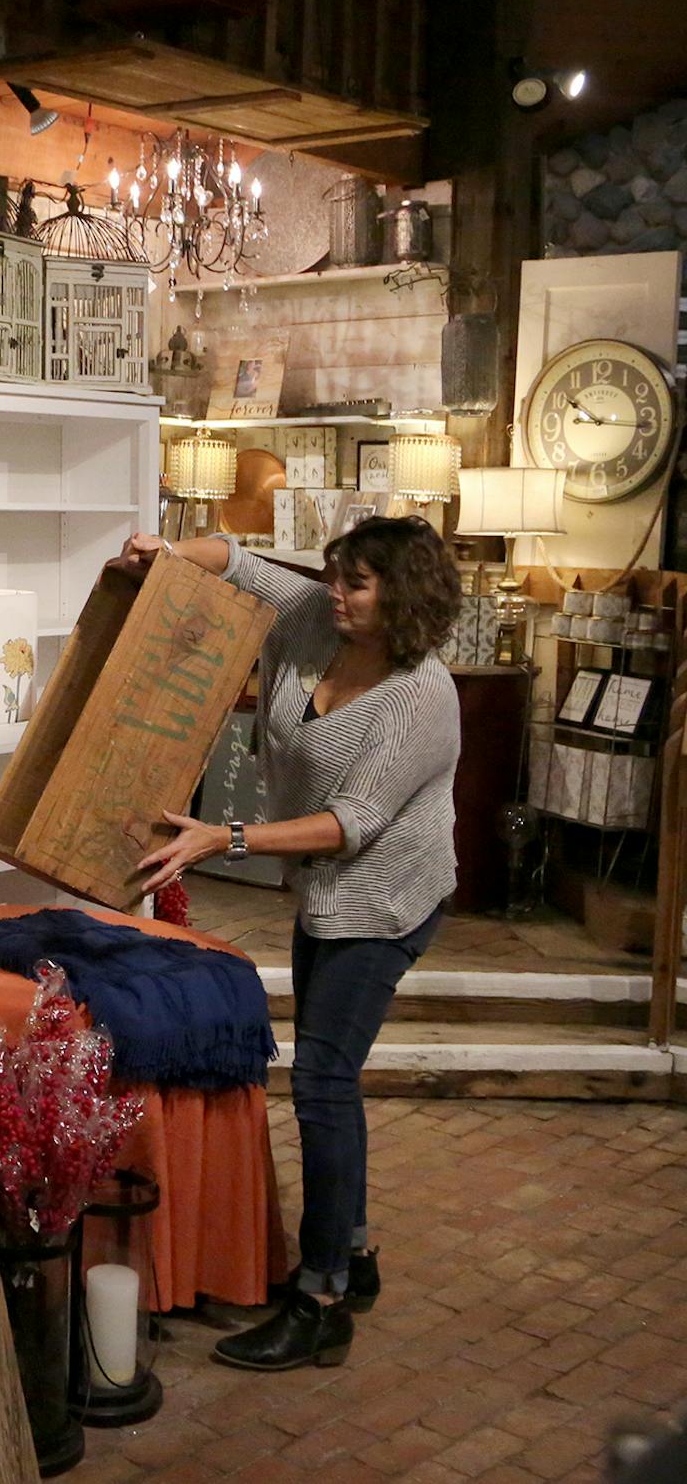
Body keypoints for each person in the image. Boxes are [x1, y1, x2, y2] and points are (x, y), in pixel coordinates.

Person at [117, 518, 463, 1372]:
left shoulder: (421, 694)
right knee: (329, 1079)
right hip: (321, 892)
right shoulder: (316, 614)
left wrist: (220, 839)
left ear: (404, 595)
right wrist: (164, 555)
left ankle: (321, 1300)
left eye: (359, 585)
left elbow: (352, 825)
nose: (336, 595)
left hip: (385, 899)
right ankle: (356, 1253)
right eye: (336, 577)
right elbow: (230, 558)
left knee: (320, 1083)